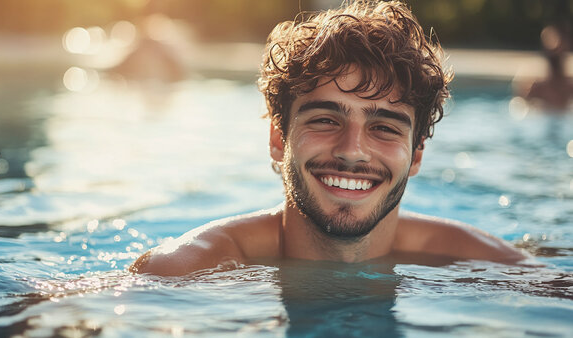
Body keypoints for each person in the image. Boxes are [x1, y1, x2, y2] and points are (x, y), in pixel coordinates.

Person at [130, 0, 527, 276]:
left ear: (417, 154)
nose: (352, 150)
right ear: (278, 138)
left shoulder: (487, 265)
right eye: (324, 120)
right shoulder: (184, 271)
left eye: (384, 128)